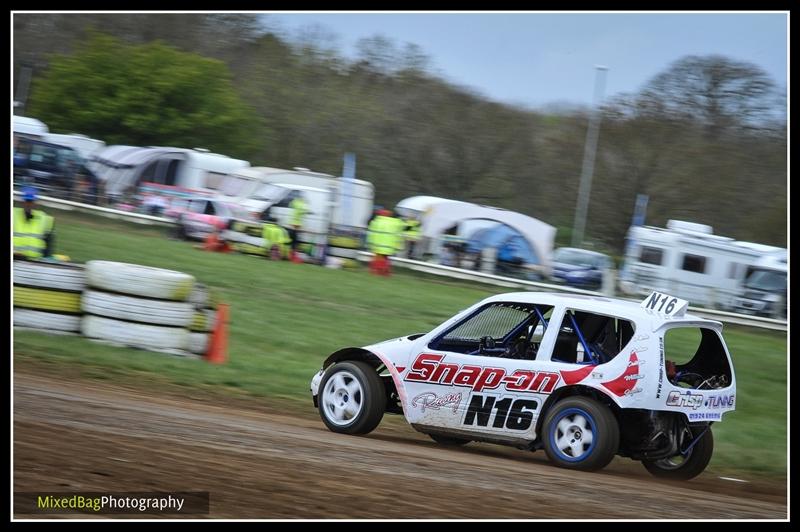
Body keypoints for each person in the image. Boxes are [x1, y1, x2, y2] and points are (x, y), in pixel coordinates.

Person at [14, 187, 55, 259]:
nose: (28, 204)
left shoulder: (45, 219)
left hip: (36, 263)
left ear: (36, 203)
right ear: (22, 202)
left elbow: (48, 247)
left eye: (31, 201)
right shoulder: (12, 215)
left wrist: (46, 259)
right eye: (27, 201)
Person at [366, 209, 403, 276]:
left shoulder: (377, 221)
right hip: (388, 245)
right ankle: (382, 272)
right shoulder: (396, 223)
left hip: (378, 244)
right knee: (383, 258)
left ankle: (378, 271)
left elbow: (371, 228)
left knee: (379, 258)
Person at [288, 193, 308, 264]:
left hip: (292, 223)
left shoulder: (295, 202)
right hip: (297, 224)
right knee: (295, 242)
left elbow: (290, 205)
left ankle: (292, 256)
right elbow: (303, 211)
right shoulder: (302, 204)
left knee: (293, 242)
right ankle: (293, 257)